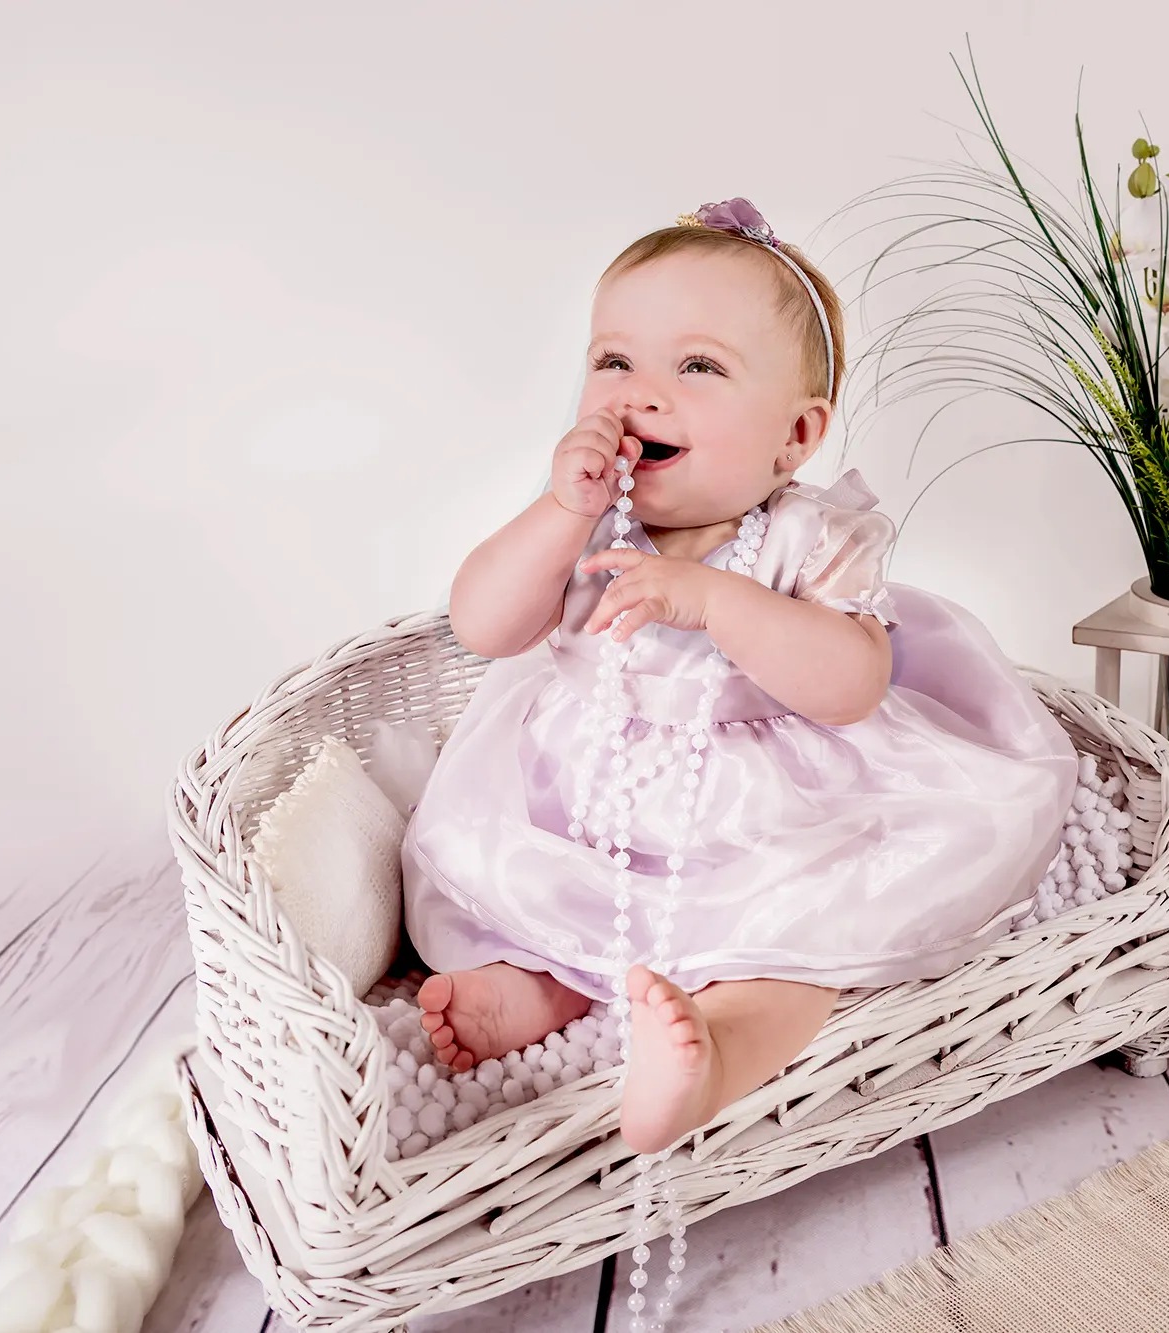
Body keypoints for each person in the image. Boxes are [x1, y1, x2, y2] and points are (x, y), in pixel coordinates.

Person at [401, 198, 1078, 1154]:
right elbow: (483, 624)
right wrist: (559, 510)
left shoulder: (810, 537)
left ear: (795, 437)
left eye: (698, 366)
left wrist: (715, 602)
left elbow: (851, 685)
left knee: (805, 935)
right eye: (613, 361)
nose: (641, 394)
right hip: (588, 800)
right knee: (525, 887)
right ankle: (542, 983)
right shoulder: (585, 518)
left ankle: (720, 1044)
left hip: (771, 819)